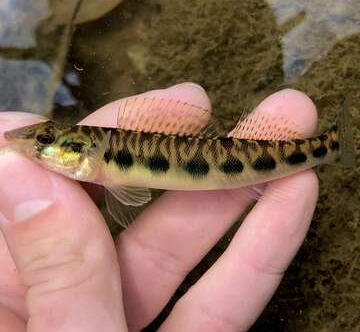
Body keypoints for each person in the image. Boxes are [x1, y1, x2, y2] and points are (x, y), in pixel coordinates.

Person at [0, 83, 318, 331]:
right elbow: (129, 198)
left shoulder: (103, 160)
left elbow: (129, 200)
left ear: (82, 150)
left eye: (44, 141)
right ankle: (327, 147)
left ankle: (329, 147)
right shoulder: (103, 162)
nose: (32, 145)